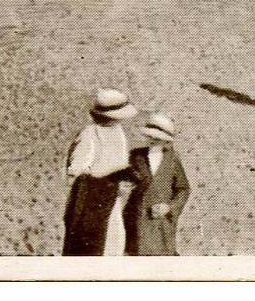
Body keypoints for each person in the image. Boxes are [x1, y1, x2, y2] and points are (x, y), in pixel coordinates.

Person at [63, 88, 138, 256]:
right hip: (90, 204)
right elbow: (77, 173)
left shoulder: (118, 132)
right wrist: (106, 183)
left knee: (114, 243)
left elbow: (120, 164)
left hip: (112, 201)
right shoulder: (90, 134)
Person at [123, 113, 190, 256]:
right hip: (137, 219)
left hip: (160, 220)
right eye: (151, 136)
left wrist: (169, 207)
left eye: (158, 138)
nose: (153, 140)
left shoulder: (172, 160)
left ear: (166, 140)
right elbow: (126, 179)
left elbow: (183, 189)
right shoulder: (136, 156)